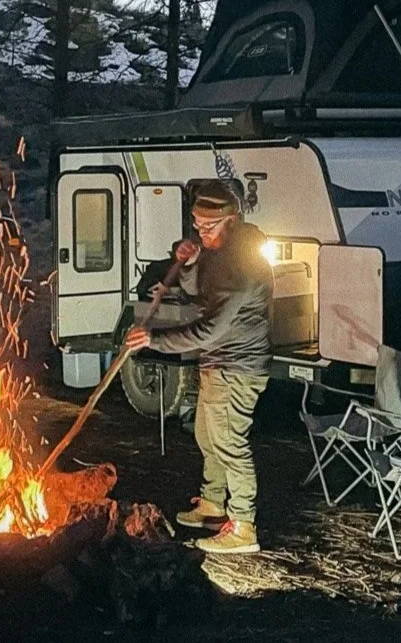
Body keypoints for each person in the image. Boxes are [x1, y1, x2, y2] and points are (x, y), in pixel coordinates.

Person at [126, 179, 273, 554]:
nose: (201, 232)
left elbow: (208, 329)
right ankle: (212, 506)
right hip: (218, 362)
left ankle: (243, 525)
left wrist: (155, 340)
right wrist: (190, 261)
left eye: (208, 226)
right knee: (207, 437)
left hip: (237, 366)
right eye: (197, 225)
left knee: (229, 442)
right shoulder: (220, 250)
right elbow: (196, 289)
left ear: (231, 219)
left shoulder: (241, 263)